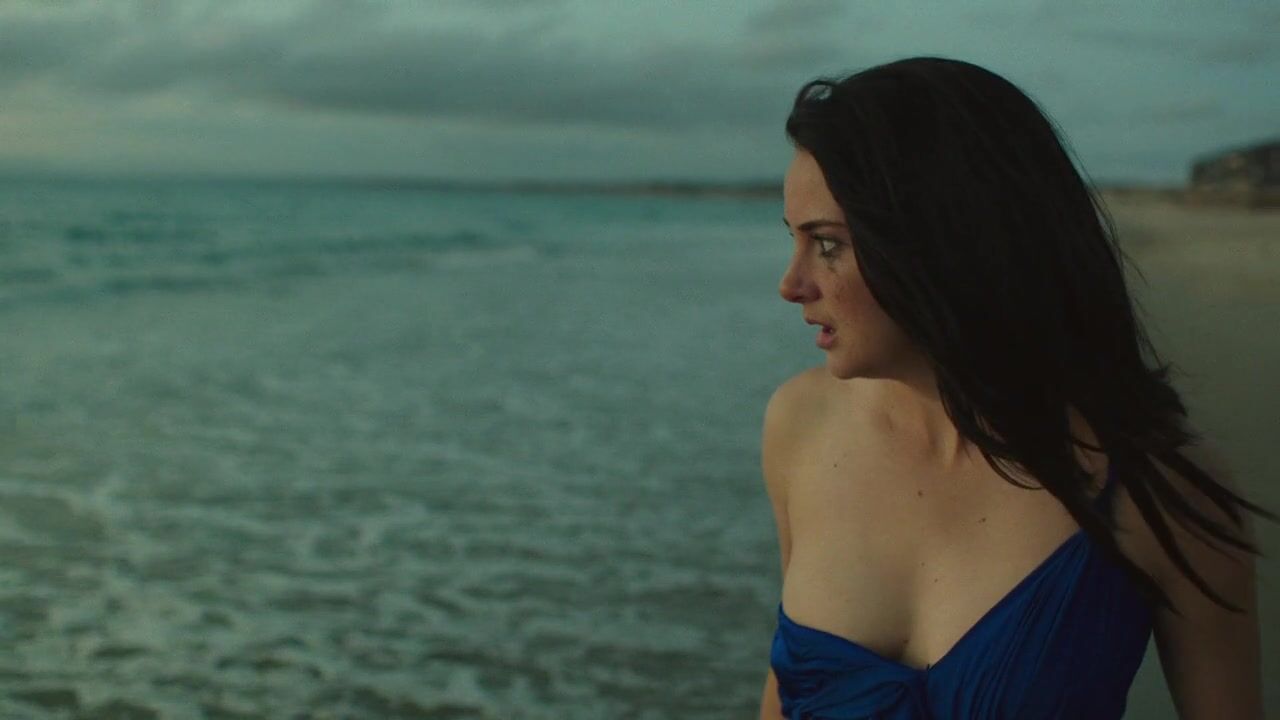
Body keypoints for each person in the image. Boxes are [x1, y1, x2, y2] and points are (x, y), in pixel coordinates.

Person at [758, 56, 1273, 720]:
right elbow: (785, 695)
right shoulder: (800, 426)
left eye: (827, 245)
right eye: (794, 240)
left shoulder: (1159, 491)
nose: (791, 284)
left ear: (943, 239)